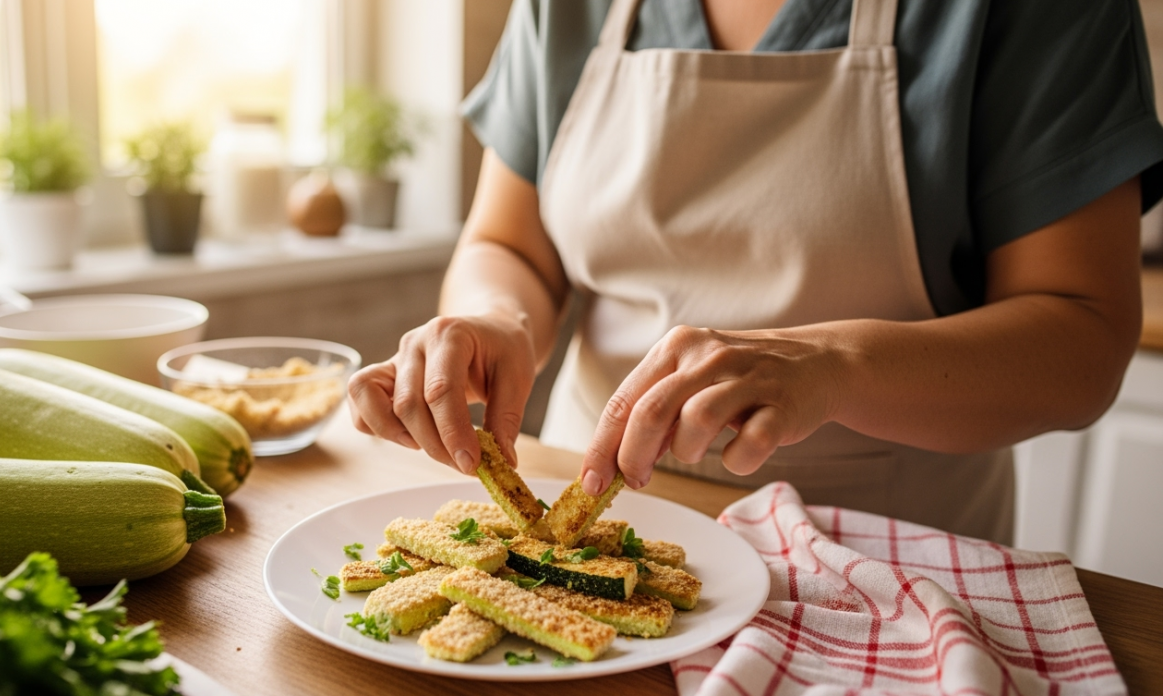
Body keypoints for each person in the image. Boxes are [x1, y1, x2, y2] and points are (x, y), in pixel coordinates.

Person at [347, 0, 1163, 544]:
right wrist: (498, 317)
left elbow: (1082, 336)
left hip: (887, 560)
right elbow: (512, 246)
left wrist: (835, 366)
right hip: (583, 512)